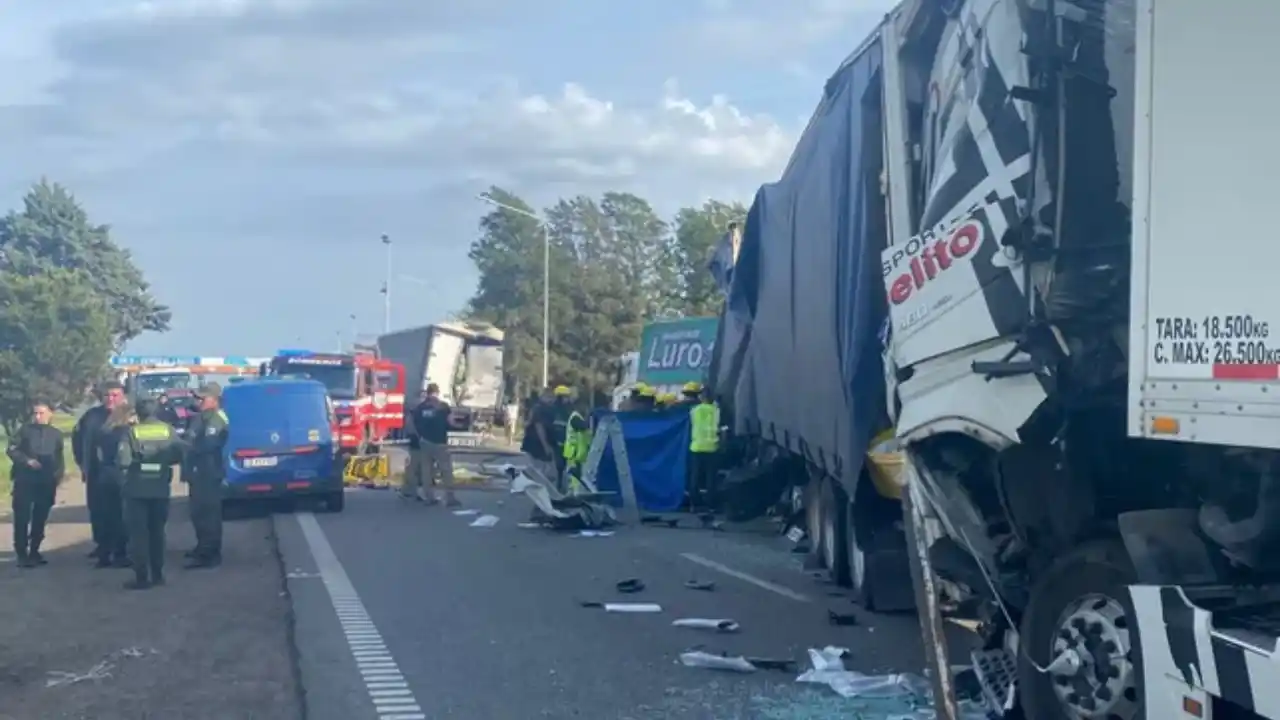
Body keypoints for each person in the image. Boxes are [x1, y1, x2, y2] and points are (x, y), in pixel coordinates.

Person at [116, 398, 180, 589]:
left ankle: (142, 577)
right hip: (160, 488)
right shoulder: (168, 430)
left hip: (136, 490)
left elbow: (123, 460)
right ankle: (158, 575)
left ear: (138, 412)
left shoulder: (131, 432)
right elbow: (177, 455)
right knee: (157, 533)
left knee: (138, 535)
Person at [7, 400, 65, 568]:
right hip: (25, 479)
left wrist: (57, 477)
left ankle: (35, 550)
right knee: (22, 517)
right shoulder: (24, 431)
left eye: (41, 413)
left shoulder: (56, 434)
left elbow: (59, 458)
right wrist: (26, 461)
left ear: (50, 414)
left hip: (46, 481)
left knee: (40, 517)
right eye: (35, 413)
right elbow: (11, 449)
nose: (38, 416)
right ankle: (21, 553)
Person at [73, 382, 126, 562]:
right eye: (107, 395)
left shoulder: (129, 415)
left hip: (121, 473)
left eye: (115, 395)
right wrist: (82, 462)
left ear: (123, 396)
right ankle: (103, 545)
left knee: (120, 512)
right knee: (98, 510)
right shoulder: (92, 415)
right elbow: (77, 438)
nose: (110, 399)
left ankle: (122, 548)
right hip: (96, 471)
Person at [183, 382, 229, 569]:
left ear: (214, 399)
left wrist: (187, 447)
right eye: (197, 397)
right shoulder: (202, 416)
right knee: (197, 513)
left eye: (202, 398)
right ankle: (202, 546)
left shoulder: (216, 419)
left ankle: (209, 554)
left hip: (208, 472)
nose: (198, 401)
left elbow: (208, 444)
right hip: (199, 472)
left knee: (208, 514)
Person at [402, 383, 460, 507]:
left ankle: (429, 497)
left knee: (426, 470)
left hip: (424, 442)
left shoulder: (420, 408)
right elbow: (451, 422)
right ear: (437, 392)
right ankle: (450, 497)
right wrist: (458, 425)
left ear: (427, 393)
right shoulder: (443, 406)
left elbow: (412, 424)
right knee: (446, 470)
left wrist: (419, 437)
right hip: (440, 442)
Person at [94, 398, 135, 568]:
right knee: (122, 517)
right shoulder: (127, 432)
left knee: (107, 516)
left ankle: (104, 554)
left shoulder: (104, 431)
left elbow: (99, 455)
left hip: (104, 474)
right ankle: (120, 554)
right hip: (121, 475)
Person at [687, 385, 721, 512]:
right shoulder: (716, 410)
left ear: (701, 397)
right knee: (711, 478)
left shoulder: (694, 410)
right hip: (712, 447)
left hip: (696, 447)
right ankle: (710, 504)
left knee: (694, 477)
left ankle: (694, 504)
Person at [520, 387, 559, 487]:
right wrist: (545, 445)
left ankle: (536, 487)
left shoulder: (539, 408)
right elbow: (539, 427)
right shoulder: (541, 409)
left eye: (552, 397)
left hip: (535, 442)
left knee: (540, 469)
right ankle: (538, 489)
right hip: (537, 444)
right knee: (540, 470)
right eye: (549, 397)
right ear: (543, 397)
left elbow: (528, 423)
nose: (552, 400)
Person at [561, 398, 591, 494]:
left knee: (576, 476)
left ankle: (573, 493)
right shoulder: (575, 418)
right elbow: (584, 426)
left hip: (577, 452)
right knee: (574, 478)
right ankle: (574, 495)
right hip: (573, 452)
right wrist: (588, 417)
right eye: (584, 406)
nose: (586, 408)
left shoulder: (577, 417)